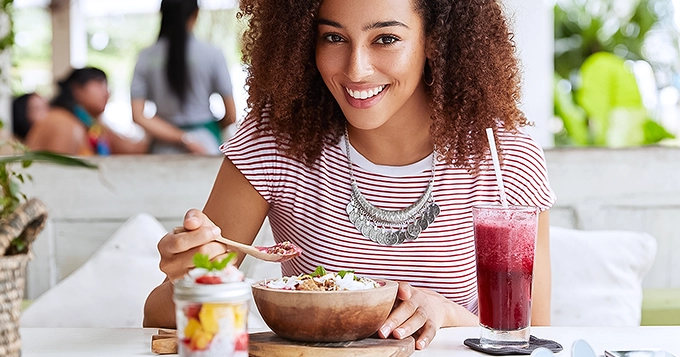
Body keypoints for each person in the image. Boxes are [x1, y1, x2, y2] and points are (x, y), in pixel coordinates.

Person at [144, 0, 557, 350]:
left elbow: (537, 337)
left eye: (386, 38)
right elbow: (160, 319)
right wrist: (186, 273)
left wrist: (448, 316)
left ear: (434, 40)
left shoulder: (505, 155)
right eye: (334, 38)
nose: (356, 69)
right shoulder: (275, 139)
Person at [130, 0, 237, 155]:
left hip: (162, 148)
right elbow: (231, 115)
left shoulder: (145, 57)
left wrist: (182, 137)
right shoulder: (212, 54)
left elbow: (138, 116)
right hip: (206, 145)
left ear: (162, 14)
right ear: (196, 13)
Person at [26, 67, 149, 155]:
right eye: (100, 83)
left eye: (107, 85)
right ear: (77, 89)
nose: (107, 92)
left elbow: (131, 149)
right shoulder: (61, 121)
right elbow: (59, 177)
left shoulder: (93, 125)